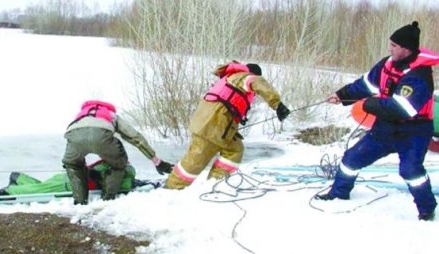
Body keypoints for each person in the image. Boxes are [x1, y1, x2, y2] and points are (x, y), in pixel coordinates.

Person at [315, 21, 439, 221]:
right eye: (390, 43)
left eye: (394, 45)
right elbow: (365, 84)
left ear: (406, 50)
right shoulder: (386, 64)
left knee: (411, 172)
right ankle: (339, 193)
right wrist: (342, 95)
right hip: (385, 128)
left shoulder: (420, 75)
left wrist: (369, 105)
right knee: (351, 158)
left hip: (413, 132)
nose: (389, 48)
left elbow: (403, 108)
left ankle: (427, 209)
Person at [164, 61, 290, 189]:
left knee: (235, 149)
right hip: (211, 126)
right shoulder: (246, 77)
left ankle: (216, 182)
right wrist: (278, 105)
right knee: (196, 160)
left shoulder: (231, 78)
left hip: (216, 124)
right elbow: (257, 82)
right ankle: (172, 187)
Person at [62, 100, 173, 204]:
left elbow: (79, 137)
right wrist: (157, 161)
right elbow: (135, 137)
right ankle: (107, 199)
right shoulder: (111, 115)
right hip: (103, 136)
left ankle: (80, 202)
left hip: (74, 135)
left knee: (73, 165)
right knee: (118, 164)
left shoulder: (81, 115)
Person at [0, 160, 153, 196]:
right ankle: (9, 190)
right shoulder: (121, 172)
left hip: (70, 178)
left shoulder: (113, 165)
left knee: (42, 185)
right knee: (40, 189)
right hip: (70, 183)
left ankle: (18, 178)